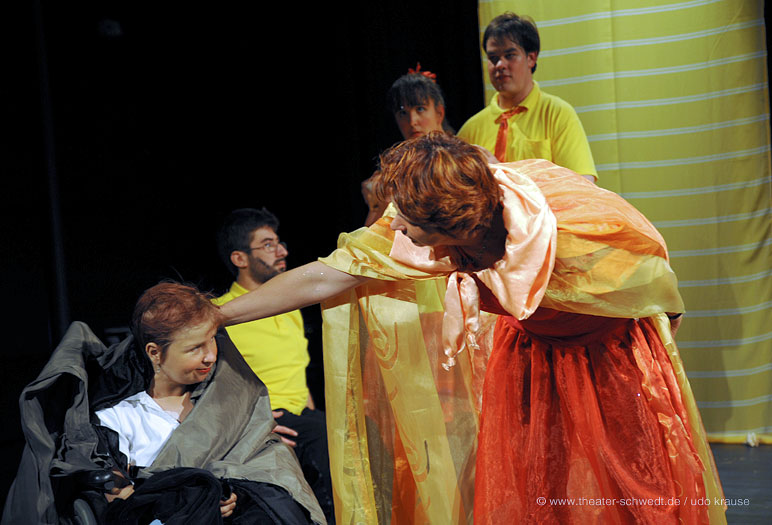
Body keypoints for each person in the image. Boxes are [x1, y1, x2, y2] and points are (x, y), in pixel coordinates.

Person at [218, 133, 726, 524]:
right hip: (533, 363)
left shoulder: (567, 229)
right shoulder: (424, 231)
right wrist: (219, 315)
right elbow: (327, 274)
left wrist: (641, 374)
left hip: (609, 363)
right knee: (541, 494)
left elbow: (657, 285)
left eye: (407, 220)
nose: (395, 226)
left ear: (451, 226)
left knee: (634, 492)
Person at [2, 281, 325, 525]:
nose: (210, 356)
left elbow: (265, 467)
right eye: (195, 348)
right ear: (155, 352)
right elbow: (125, 501)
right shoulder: (119, 419)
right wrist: (194, 499)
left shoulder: (229, 399)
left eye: (212, 341)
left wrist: (237, 494)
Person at [213, 208, 334, 524]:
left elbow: (297, 375)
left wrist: (311, 418)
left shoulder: (290, 307)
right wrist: (254, 428)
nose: (282, 251)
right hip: (259, 420)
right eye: (268, 245)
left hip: (302, 419)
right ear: (240, 258)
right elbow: (209, 391)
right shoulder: (219, 314)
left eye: (279, 243)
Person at [457, 12, 598, 182]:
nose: (500, 65)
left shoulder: (557, 114)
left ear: (531, 58)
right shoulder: (471, 129)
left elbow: (583, 184)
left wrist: (506, 175)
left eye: (509, 55)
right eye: (493, 58)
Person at [362, 64, 452, 226]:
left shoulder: (459, 158)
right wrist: (377, 203)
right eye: (403, 113)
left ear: (439, 112)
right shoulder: (394, 166)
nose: (412, 121)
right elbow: (372, 229)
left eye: (420, 109)